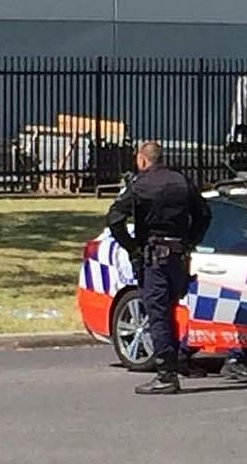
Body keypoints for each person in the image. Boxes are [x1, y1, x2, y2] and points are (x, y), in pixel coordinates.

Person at [107, 142, 211, 395]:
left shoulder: (139, 185)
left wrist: (132, 247)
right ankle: (177, 361)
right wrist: (190, 241)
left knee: (158, 314)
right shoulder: (182, 182)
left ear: (143, 160)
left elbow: (114, 218)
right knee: (172, 310)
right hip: (178, 256)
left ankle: (166, 373)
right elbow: (205, 215)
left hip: (153, 257)